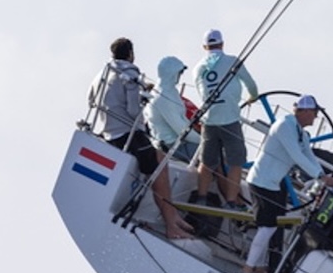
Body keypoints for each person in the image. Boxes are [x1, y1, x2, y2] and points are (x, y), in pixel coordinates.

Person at [88, 37, 192, 239]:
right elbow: (132, 109)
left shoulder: (103, 72)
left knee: (160, 157)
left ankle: (173, 216)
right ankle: (171, 224)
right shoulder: (130, 73)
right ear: (130, 54)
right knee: (158, 169)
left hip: (108, 133)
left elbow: (90, 98)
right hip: (128, 134)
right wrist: (143, 99)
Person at [242, 94, 333, 273]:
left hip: (272, 184)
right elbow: (295, 155)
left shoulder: (300, 132)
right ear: (306, 111)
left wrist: (324, 176)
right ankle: (247, 269)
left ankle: (259, 268)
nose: (316, 117)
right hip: (261, 181)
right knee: (267, 228)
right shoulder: (285, 126)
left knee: (268, 227)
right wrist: (320, 177)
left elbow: (308, 155)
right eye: (315, 113)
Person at [192, 29, 259, 209]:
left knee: (206, 163)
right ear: (222, 43)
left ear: (205, 46)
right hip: (230, 120)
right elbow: (251, 85)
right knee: (236, 163)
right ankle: (230, 202)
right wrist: (252, 97)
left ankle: (201, 198)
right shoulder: (232, 61)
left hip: (209, 121)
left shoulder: (198, 68)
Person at [145, 55, 201, 163]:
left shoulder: (169, 91)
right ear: (172, 73)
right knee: (214, 153)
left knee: (217, 151)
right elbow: (181, 130)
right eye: (180, 72)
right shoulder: (162, 97)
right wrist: (204, 141)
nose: (180, 75)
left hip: (181, 143)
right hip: (172, 147)